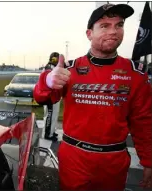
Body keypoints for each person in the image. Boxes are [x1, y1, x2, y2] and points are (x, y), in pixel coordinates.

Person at [33, 3, 151, 191]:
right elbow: (41, 98)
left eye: (119, 25)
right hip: (75, 158)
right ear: (89, 34)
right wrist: (47, 80)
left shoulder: (135, 74)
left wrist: (148, 161)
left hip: (113, 162)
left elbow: (143, 121)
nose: (113, 31)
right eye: (104, 26)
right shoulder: (69, 69)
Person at [42, 52, 61, 142]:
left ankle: (52, 131)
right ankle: (48, 134)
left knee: (54, 114)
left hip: (54, 95)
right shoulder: (49, 67)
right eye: (57, 58)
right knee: (50, 115)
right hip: (50, 96)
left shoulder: (53, 67)